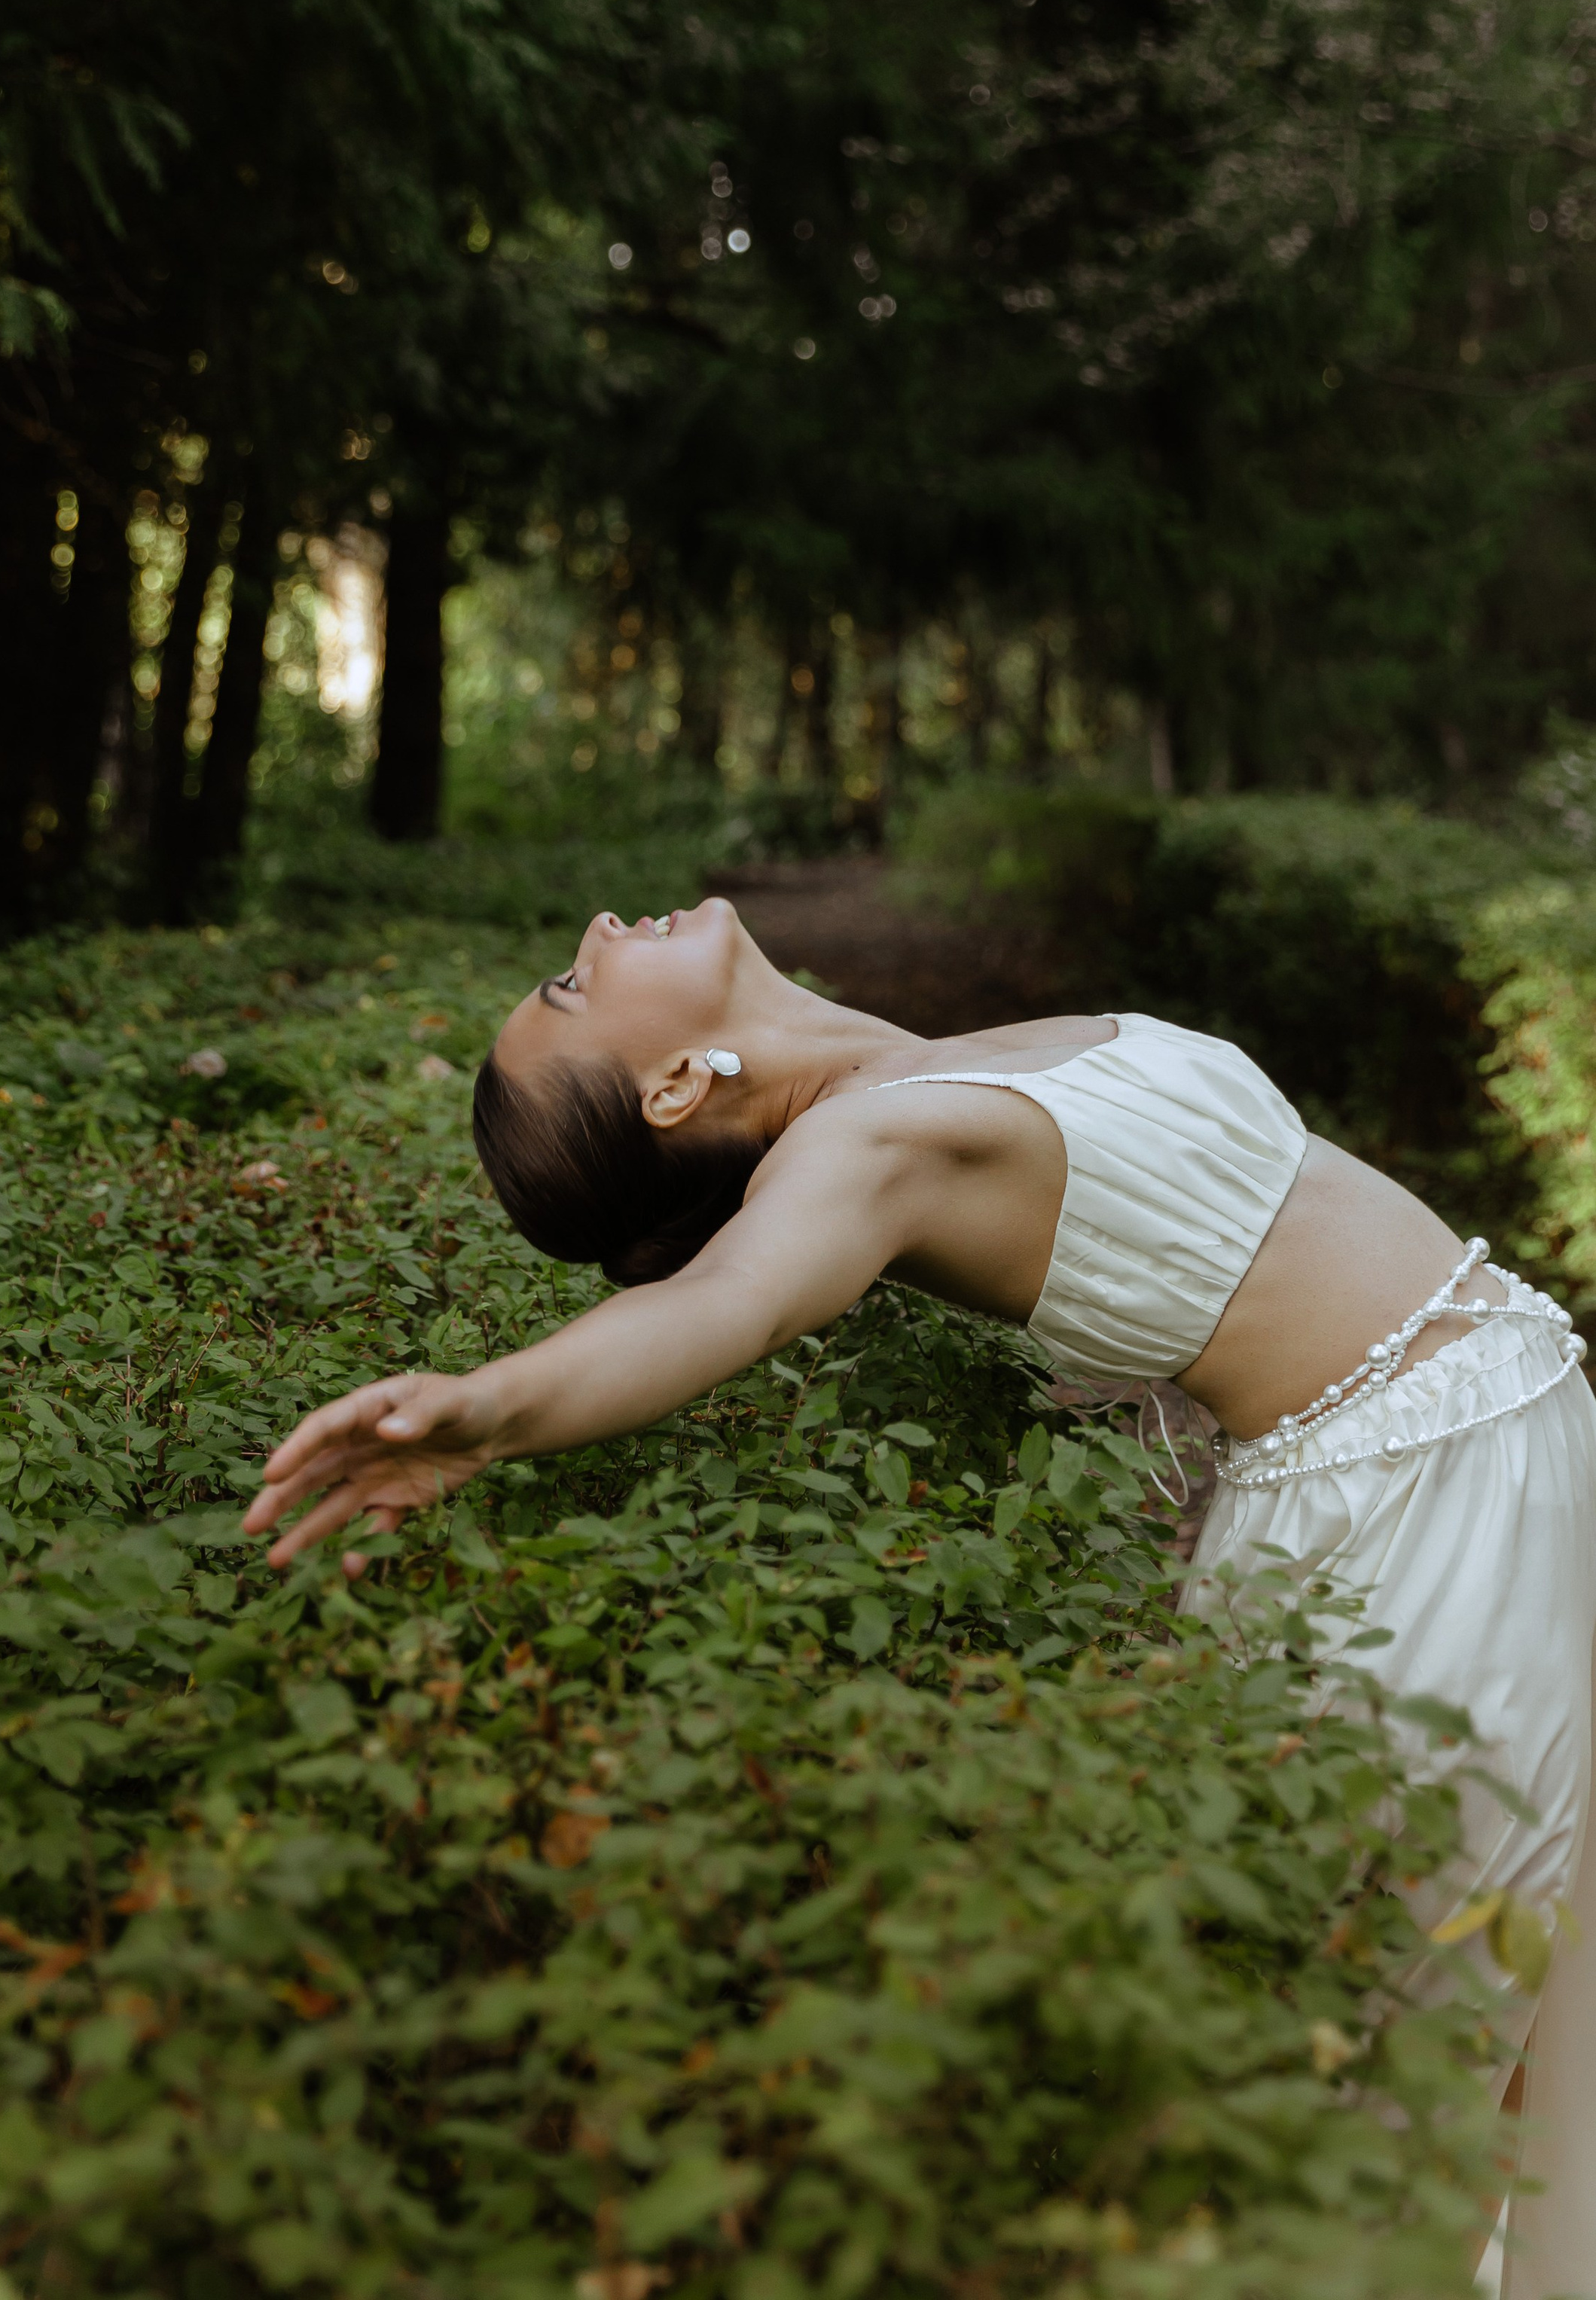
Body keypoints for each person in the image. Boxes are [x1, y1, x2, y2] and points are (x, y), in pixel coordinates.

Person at [245, 896, 1596, 2298]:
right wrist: (491, 1409)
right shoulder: (862, 1151)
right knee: (1418, 2029)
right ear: (669, 1086)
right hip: (1417, 1505)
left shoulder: (901, 1071)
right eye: (568, 985)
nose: (592, 930)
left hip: (1466, 1456)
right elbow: (725, 1305)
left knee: (1501, 2000)